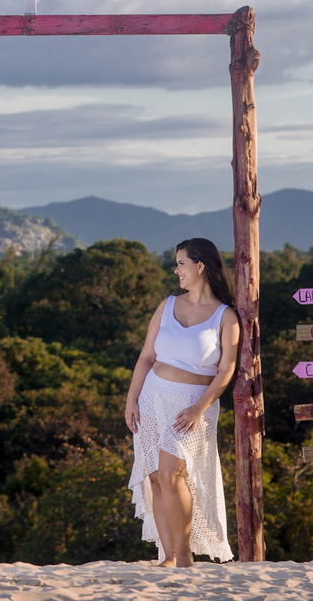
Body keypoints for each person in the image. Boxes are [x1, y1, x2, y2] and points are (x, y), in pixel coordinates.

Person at [124, 237, 239, 566]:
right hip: (152, 397)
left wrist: (199, 407)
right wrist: (131, 399)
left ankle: (185, 555)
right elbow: (146, 357)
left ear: (200, 266)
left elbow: (226, 370)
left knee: (174, 474)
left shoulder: (225, 316)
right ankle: (169, 556)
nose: (176, 270)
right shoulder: (168, 305)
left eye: (181, 264)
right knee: (156, 478)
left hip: (193, 404)